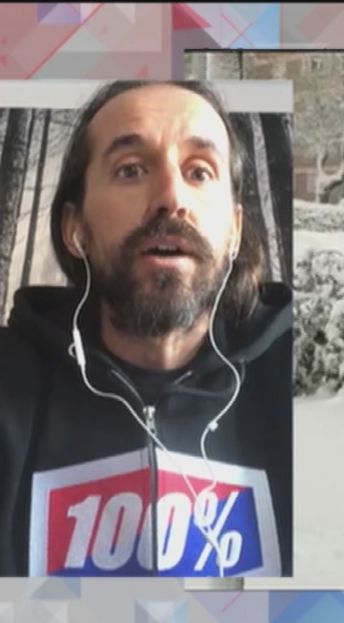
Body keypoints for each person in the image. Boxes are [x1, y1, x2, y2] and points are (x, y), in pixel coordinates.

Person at [0, 81, 291, 577]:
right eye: (131, 169)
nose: (171, 198)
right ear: (75, 228)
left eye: (199, 171)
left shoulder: (288, 380)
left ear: (235, 230)